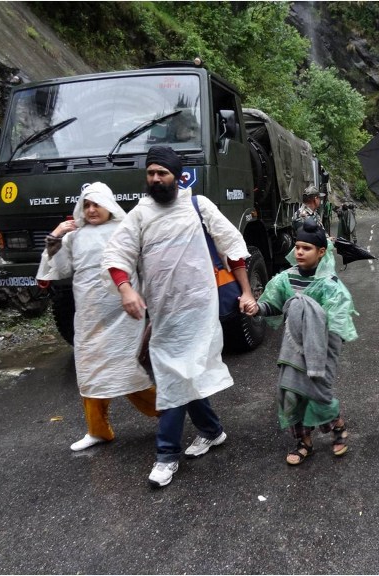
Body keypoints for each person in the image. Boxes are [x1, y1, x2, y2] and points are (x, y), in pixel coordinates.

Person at [101, 146, 257, 488]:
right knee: (183, 375)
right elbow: (116, 254)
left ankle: (166, 456)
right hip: (163, 313)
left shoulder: (199, 207)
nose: (155, 179)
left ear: (176, 176)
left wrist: (246, 292)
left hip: (199, 310)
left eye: (162, 173)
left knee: (173, 380)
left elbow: (234, 246)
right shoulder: (140, 214)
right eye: (151, 173)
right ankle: (212, 430)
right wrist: (126, 289)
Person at [36, 182, 158, 452]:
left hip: (124, 313)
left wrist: (149, 301)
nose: (91, 210)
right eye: (86, 205)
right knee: (90, 371)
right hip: (89, 316)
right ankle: (98, 430)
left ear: (109, 206)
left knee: (125, 369)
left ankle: (167, 413)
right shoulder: (73, 236)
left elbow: (145, 267)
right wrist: (55, 237)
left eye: (96, 204)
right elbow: (58, 269)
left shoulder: (126, 230)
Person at [244, 220, 358, 465]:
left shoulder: (330, 285)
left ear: (321, 252)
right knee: (293, 393)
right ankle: (304, 442)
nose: (299, 252)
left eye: (306, 248)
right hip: (294, 348)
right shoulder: (286, 279)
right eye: (297, 247)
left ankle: (337, 425)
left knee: (319, 393)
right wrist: (256, 308)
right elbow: (272, 305)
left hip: (321, 349)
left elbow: (338, 323)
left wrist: (326, 353)